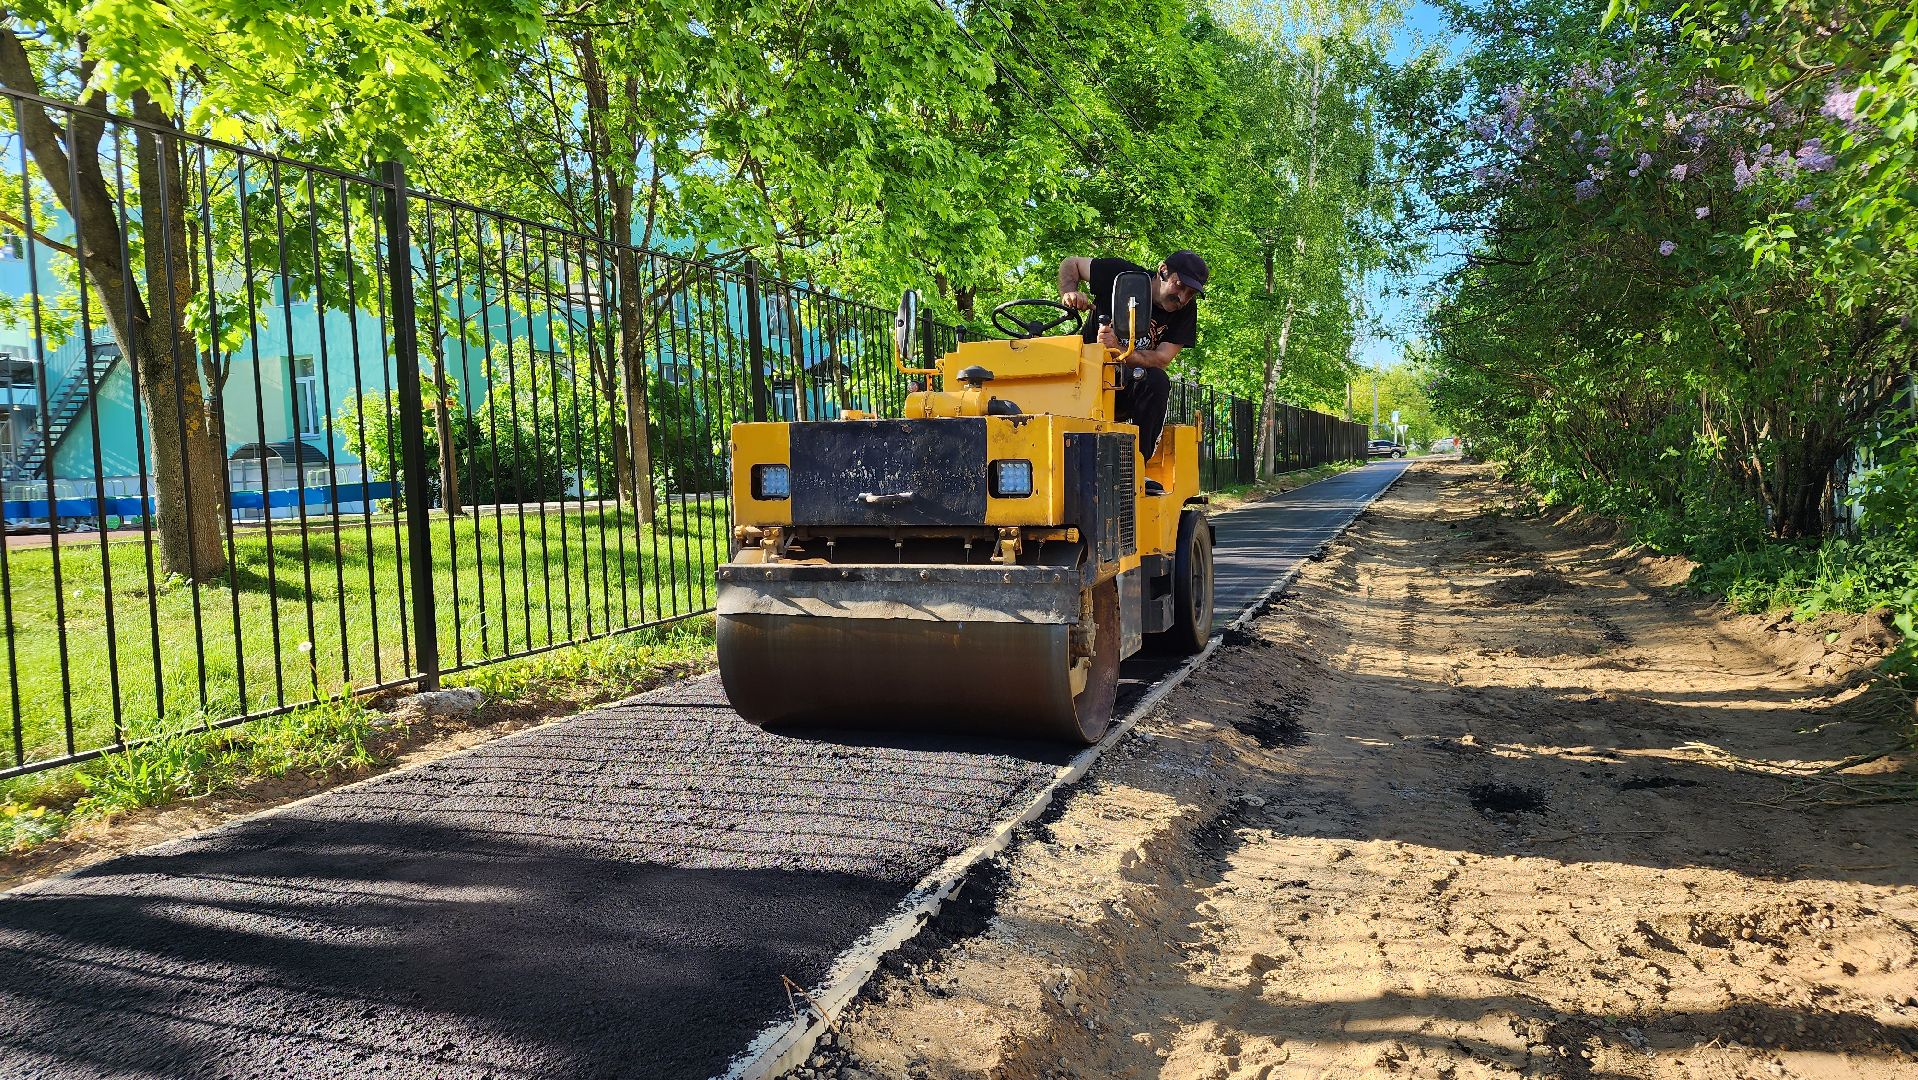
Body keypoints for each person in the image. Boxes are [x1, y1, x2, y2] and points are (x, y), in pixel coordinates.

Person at [1056, 251, 1207, 466]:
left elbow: (1162, 359)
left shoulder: (1186, 311)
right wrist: (1070, 292)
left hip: (1124, 386)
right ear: (1163, 271)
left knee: (1156, 381)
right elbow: (1071, 263)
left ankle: (1136, 465)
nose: (1182, 298)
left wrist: (1118, 348)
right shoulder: (1121, 275)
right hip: (1082, 376)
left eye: (1190, 293)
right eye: (1179, 285)